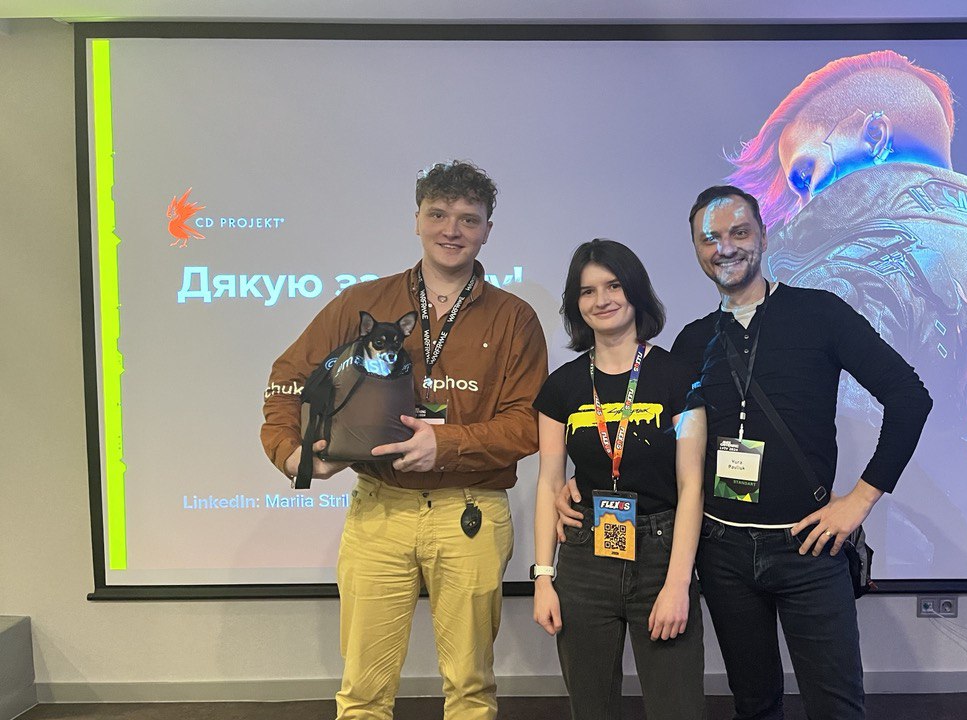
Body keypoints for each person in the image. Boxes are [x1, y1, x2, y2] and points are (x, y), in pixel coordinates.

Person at [560, 185, 931, 720]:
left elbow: (909, 397)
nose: (725, 248)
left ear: (763, 235)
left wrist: (861, 499)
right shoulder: (692, 343)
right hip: (723, 553)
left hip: (807, 546)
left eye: (739, 232)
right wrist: (583, 481)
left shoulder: (819, 314)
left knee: (837, 707)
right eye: (710, 238)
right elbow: (656, 445)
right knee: (754, 705)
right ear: (696, 249)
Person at [727, 50, 967, 572]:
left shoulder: (851, 273)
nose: (805, 198)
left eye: (806, 171)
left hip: (861, 564)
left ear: (875, 135)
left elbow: (835, 445)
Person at [260, 160, 548, 720]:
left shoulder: (515, 319)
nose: (451, 230)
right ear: (416, 220)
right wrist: (291, 453)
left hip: (471, 512)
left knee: (470, 691)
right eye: (437, 214)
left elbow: (528, 423)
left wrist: (448, 444)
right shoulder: (361, 304)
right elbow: (289, 377)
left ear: (487, 229)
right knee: (363, 695)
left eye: (468, 219)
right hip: (379, 509)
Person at [531, 239, 707, 719]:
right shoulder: (561, 386)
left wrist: (678, 583)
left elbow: (692, 485)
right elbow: (549, 483)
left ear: (635, 292)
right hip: (585, 559)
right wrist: (543, 577)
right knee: (592, 708)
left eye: (613, 286)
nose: (602, 299)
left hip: (660, 556)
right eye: (587, 291)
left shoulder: (679, 378)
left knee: (678, 709)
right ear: (576, 304)